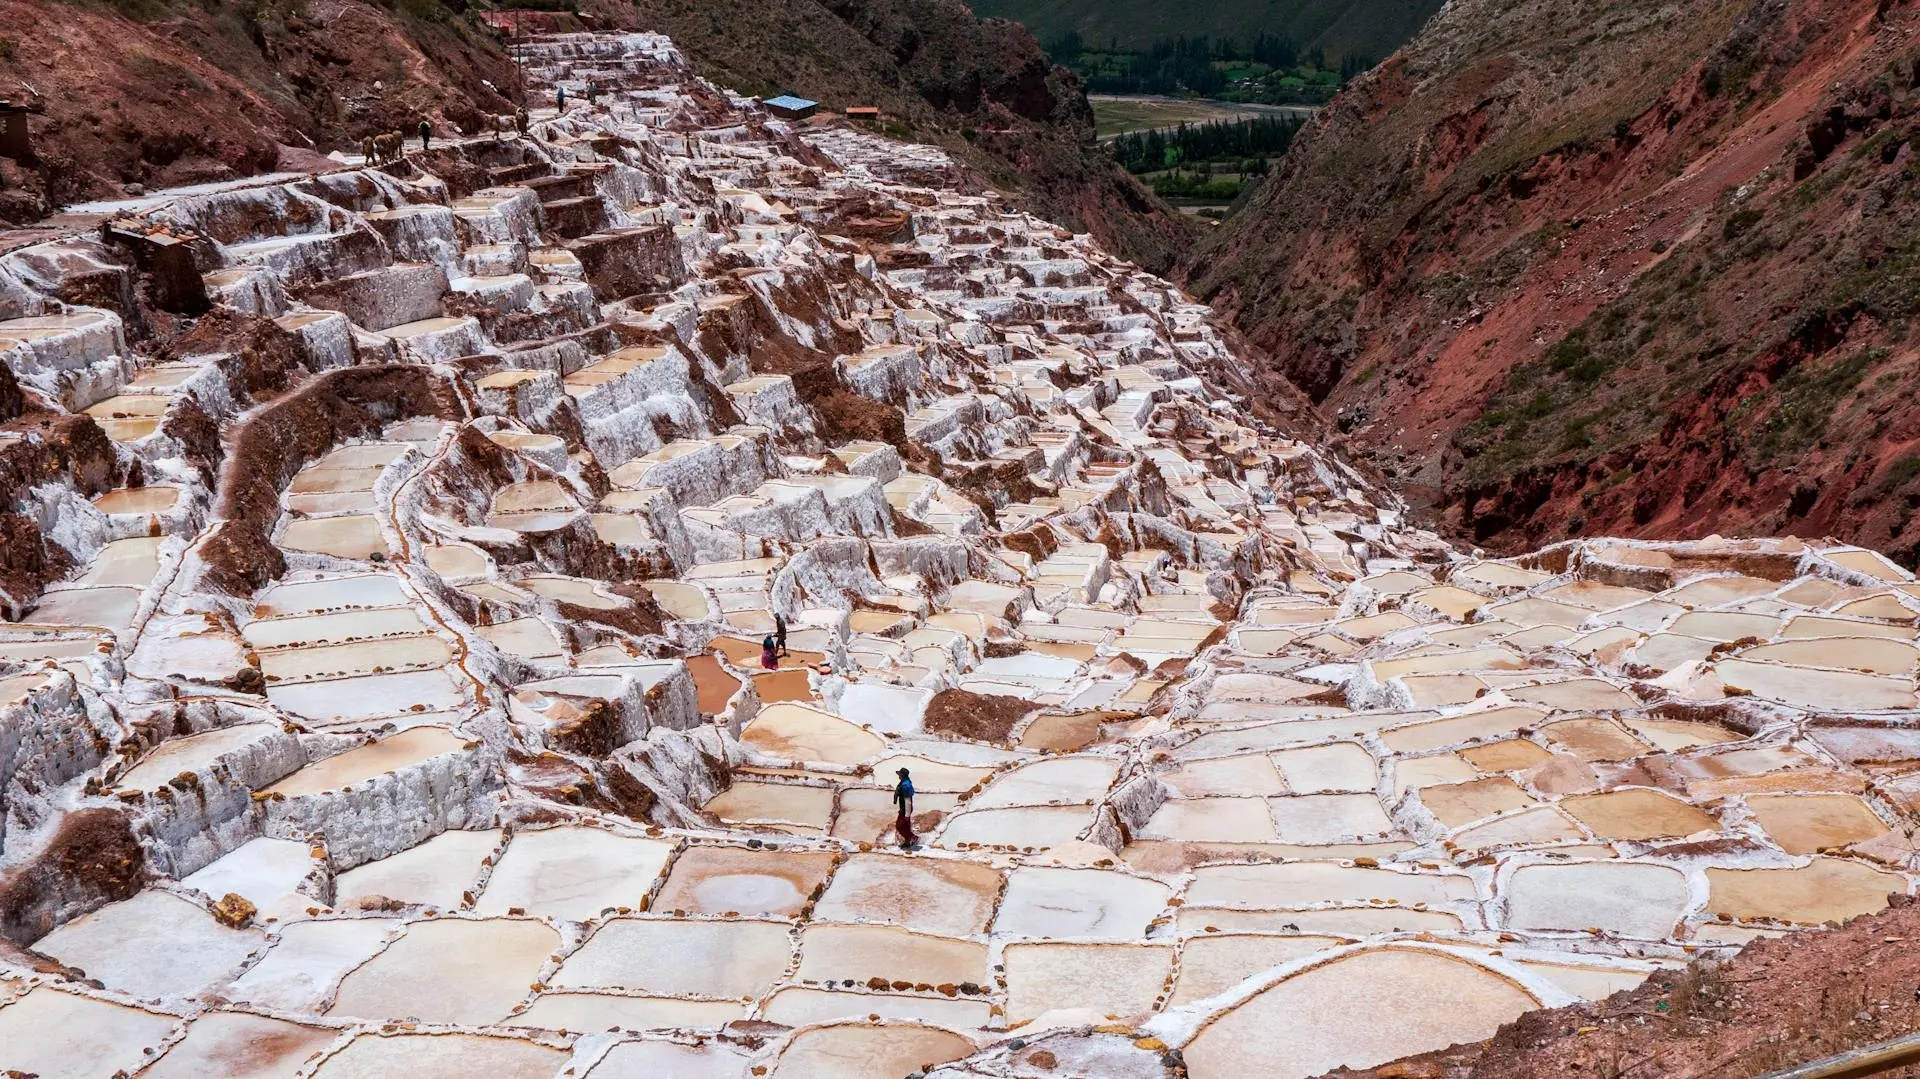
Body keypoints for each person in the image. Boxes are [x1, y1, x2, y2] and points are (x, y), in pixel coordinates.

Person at [893, 767, 917, 849]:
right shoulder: (905, 782)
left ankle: (912, 837)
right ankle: (907, 842)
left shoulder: (905, 785)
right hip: (905, 808)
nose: (898, 776)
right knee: (906, 826)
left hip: (905, 809)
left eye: (899, 774)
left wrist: (907, 814)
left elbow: (908, 801)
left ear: (902, 775)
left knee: (899, 826)